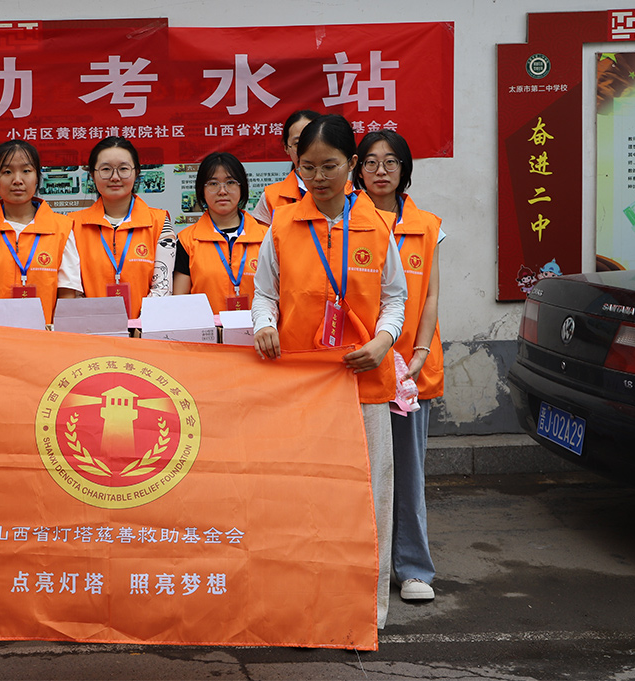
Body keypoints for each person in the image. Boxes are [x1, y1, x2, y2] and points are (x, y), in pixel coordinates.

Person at [251, 114, 407, 630]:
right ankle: (301, 606)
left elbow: (396, 298)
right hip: (300, 385)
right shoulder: (282, 224)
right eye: (308, 167)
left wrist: (383, 341)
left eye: (330, 166)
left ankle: (364, 612)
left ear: (352, 165)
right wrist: (264, 324)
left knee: (368, 496)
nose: (318, 177)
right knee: (302, 496)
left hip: (362, 381)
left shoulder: (377, 225)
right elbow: (264, 294)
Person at [352, 130, 444, 603]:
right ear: (358, 169)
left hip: (409, 369)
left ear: (405, 169)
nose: (381, 170)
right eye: (371, 161)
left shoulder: (427, 226)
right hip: (358, 366)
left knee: (408, 471)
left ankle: (412, 568)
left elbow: (430, 297)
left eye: (391, 161)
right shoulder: (344, 223)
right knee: (358, 471)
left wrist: (421, 353)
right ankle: (361, 566)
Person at [0, 139, 81, 323]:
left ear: (37, 177)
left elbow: (67, 295)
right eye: (7, 172)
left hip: (46, 336)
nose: (17, 180)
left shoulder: (62, 229)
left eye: (26, 171)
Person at [69, 137, 175, 319]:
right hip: (91, 330)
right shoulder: (72, 224)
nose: (115, 177)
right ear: (92, 174)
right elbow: (73, 290)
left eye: (124, 169)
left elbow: (162, 287)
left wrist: (139, 327)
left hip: (145, 330)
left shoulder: (160, 222)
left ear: (137, 172)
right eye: (106, 169)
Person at [173, 152, 266, 313]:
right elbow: (179, 302)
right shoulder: (186, 241)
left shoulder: (265, 238)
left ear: (242, 187)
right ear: (201, 190)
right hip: (205, 329)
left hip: (258, 328)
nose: (222, 191)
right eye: (213, 183)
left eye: (230, 182)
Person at [251, 109, 321, 226]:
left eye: (312, 141)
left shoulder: (347, 191)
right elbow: (261, 237)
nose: (305, 150)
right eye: (297, 143)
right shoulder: (271, 197)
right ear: (286, 147)